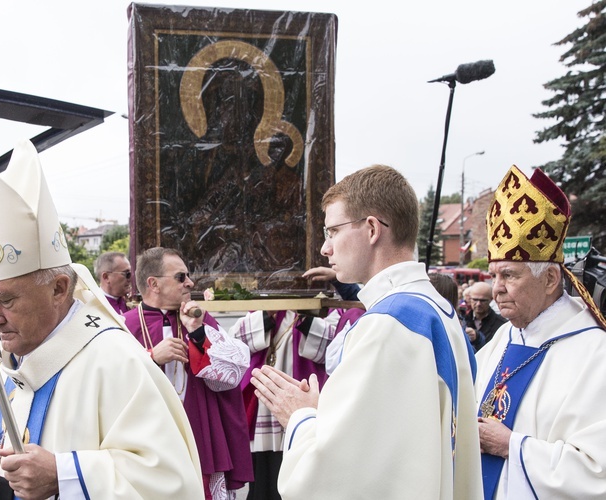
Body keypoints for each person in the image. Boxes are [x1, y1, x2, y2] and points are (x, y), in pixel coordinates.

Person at [0, 140, 203, 499]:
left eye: (5, 299)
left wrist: (64, 475)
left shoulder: (115, 361)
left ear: (59, 288)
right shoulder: (14, 365)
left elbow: (170, 481)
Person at [251, 164, 483, 499]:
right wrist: (326, 414)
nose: (324, 248)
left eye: (333, 231)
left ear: (372, 228)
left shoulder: (388, 325)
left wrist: (300, 416)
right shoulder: (435, 308)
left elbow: (337, 473)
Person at [476, 165, 606, 499]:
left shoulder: (595, 353)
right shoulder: (503, 338)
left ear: (549, 279)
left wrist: (512, 447)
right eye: (494, 277)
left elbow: (596, 472)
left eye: (509, 276)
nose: (497, 290)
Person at [122, 247, 253, 500]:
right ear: (153, 284)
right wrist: (151, 357)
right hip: (148, 438)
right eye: (181, 277)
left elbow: (234, 371)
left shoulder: (198, 320)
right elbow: (109, 383)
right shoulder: (125, 325)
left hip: (197, 431)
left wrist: (197, 333)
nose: (190, 282)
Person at [228, 307, 342, 500]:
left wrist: (306, 318)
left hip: (302, 401)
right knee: (263, 479)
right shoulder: (263, 310)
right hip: (264, 407)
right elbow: (234, 345)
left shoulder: (326, 310)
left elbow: (331, 352)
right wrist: (266, 317)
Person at [463, 282, 507, 351]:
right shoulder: (462, 320)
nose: (478, 304)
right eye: (475, 300)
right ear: (469, 299)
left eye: (483, 300)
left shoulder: (502, 325)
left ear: (491, 299)